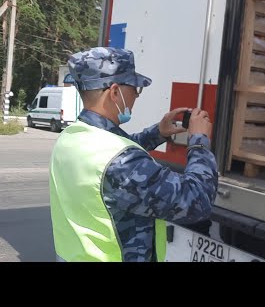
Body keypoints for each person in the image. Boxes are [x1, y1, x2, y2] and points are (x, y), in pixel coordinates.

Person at [49, 47, 218, 262]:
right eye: (135, 88)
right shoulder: (120, 162)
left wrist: (156, 133)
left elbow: (112, 163)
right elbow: (197, 202)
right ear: (115, 92)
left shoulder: (71, 138)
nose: (137, 95)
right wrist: (200, 142)